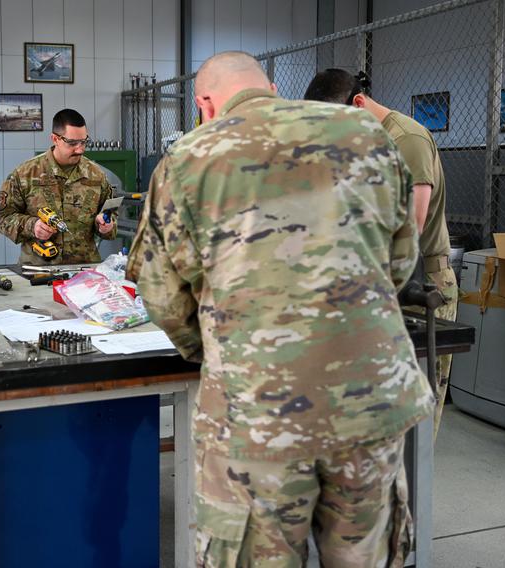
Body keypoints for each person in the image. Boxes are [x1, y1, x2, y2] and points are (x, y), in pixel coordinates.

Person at [127, 52, 435, 567]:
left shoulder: (189, 157)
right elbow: (400, 261)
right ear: (271, 86)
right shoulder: (365, 134)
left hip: (257, 414)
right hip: (369, 405)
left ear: (203, 103)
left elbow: (161, 292)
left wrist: (215, 350)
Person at [304, 69, 458, 438]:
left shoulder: (407, 142)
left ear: (358, 104)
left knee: (411, 421)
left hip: (418, 287)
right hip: (375, 284)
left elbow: (410, 229)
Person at [0, 108, 117, 265]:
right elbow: (2, 217)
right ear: (55, 139)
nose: (80, 149)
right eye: (72, 143)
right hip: (39, 269)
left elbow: (111, 215)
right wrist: (32, 226)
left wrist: (106, 225)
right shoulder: (25, 173)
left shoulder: (96, 175)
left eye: (84, 141)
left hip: (83, 269)